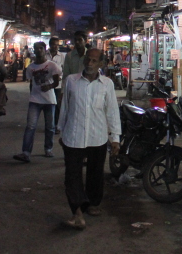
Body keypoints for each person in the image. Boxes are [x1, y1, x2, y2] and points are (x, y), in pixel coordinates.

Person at [57, 48, 120, 230]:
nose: (90, 64)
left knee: (95, 173)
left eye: (94, 61)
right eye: (88, 60)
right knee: (72, 175)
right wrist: (61, 130)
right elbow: (65, 108)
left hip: (97, 136)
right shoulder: (72, 81)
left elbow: (112, 112)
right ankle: (77, 213)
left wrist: (115, 138)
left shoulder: (107, 84)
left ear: (101, 64)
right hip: (73, 135)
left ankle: (93, 202)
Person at [13, 42, 61, 163]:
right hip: (35, 100)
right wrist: (32, 95)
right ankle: (26, 152)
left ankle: (48, 148)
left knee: (50, 127)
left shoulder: (52, 65)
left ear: (45, 50)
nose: (38, 50)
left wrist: (49, 87)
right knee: (30, 126)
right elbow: (31, 82)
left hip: (49, 100)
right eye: (36, 49)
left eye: (41, 48)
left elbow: (56, 82)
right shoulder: (31, 67)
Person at [46, 37, 66, 134]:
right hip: (47, 84)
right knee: (48, 105)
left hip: (57, 85)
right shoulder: (45, 55)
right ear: (50, 45)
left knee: (57, 105)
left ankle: (57, 126)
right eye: (54, 44)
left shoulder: (62, 56)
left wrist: (61, 78)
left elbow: (64, 69)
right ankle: (49, 125)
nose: (56, 46)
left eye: (57, 45)